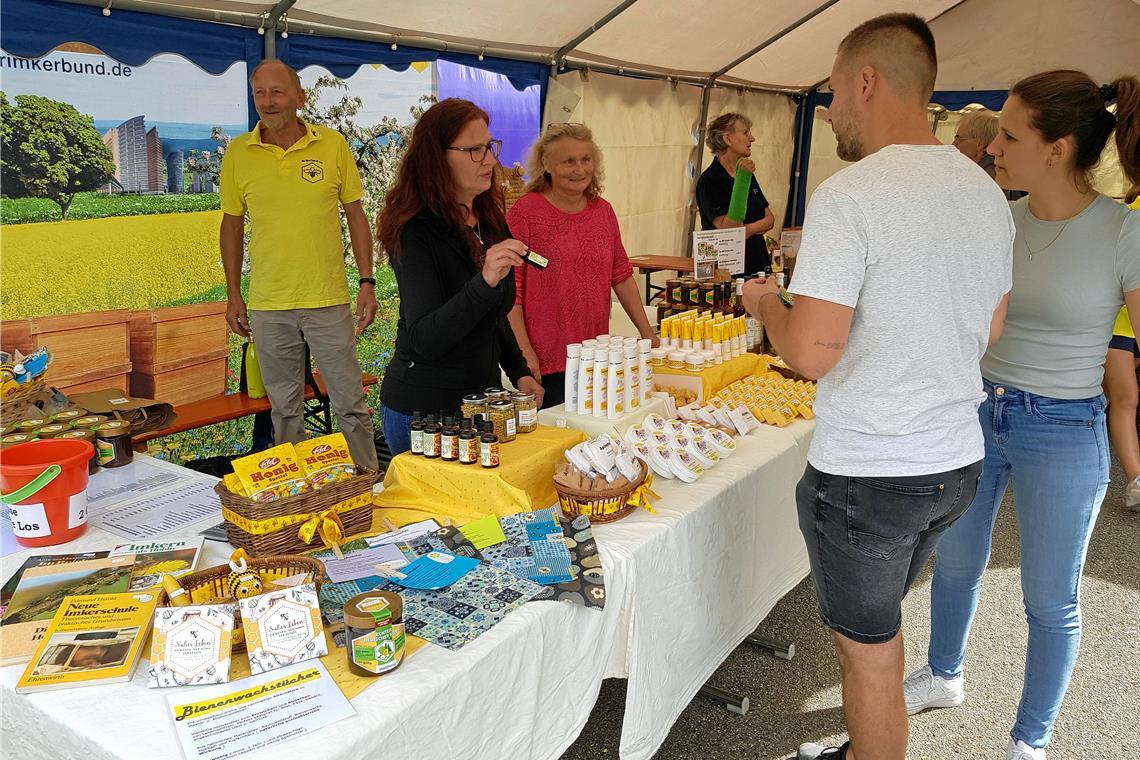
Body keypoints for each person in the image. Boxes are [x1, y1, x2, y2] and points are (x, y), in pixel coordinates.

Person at [742, 13, 1014, 760]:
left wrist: (764, 300)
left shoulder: (851, 194)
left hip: (872, 470)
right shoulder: (985, 192)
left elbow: (813, 353)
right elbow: (989, 330)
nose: (829, 110)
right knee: (881, 634)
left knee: (869, 652)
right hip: (955, 460)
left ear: (867, 82)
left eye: (832, 92)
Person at [904, 70, 1139, 760]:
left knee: (1049, 598)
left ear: (1058, 147)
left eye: (1008, 134)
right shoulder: (996, 220)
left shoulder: (1124, 231)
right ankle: (945, 675)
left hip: (1067, 429)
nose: (992, 146)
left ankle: (1029, 741)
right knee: (953, 564)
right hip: (979, 414)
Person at [220, 60, 379, 472]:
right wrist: (233, 294)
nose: (268, 102)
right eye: (259, 93)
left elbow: (356, 215)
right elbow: (232, 224)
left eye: (277, 92)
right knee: (285, 411)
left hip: (327, 298)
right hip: (269, 304)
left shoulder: (332, 144)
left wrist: (367, 280)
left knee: (349, 405)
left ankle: (365, 486)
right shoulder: (239, 152)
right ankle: (300, 496)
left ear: (299, 96)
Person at [376, 98, 543, 453]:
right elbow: (425, 339)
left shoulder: (488, 217)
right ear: (437, 158)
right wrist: (484, 281)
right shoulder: (414, 230)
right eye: (475, 150)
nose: (490, 160)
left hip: (479, 406)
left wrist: (519, 371)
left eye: (489, 147)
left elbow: (493, 316)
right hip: (424, 414)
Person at [505, 123, 657, 408]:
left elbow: (621, 274)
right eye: (568, 161)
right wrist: (524, 352)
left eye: (585, 160)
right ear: (546, 164)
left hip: (597, 356)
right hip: (546, 361)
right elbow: (511, 291)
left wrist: (647, 332)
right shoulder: (526, 212)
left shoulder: (603, 211)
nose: (579, 169)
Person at [695, 112, 776, 275]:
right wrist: (742, 180)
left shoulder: (746, 175)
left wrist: (748, 229)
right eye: (746, 132)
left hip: (757, 267)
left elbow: (770, 219)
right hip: (725, 275)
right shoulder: (710, 180)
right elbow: (730, 232)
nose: (752, 138)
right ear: (727, 139)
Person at [952, 110, 1026, 200]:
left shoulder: (980, 181)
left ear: (980, 144)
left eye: (958, 138)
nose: (953, 144)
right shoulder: (999, 172)